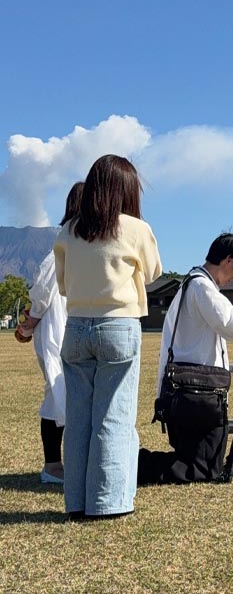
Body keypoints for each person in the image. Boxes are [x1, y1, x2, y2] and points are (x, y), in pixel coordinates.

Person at [54, 155, 162, 520]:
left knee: (79, 418)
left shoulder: (69, 229)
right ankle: (109, 502)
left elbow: (63, 283)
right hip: (118, 324)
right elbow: (152, 273)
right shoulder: (135, 228)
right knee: (113, 416)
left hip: (76, 327)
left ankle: (77, 502)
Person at [137, 233, 233, 485]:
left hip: (192, 393)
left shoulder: (194, 283)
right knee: (204, 469)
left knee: (203, 465)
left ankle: (129, 461)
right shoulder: (201, 287)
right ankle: (131, 463)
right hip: (194, 396)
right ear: (228, 260)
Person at [16, 182, 84, 484]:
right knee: (58, 395)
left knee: (66, 395)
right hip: (60, 327)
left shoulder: (75, 241)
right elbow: (44, 288)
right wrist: (32, 321)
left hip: (73, 325)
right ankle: (54, 466)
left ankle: (62, 464)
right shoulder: (66, 242)